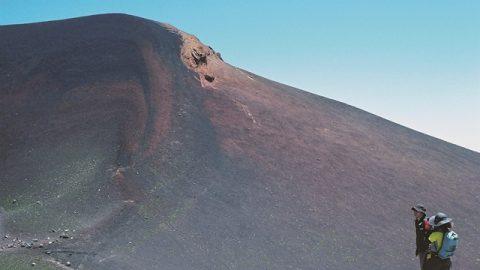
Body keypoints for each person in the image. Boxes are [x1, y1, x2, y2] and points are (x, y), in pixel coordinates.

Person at [411, 204, 430, 269]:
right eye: (414, 211)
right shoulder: (417, 221)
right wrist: (418, 248)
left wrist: (426, 247)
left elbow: (429, 235)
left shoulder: (426, 222)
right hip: (421, 249)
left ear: (422, 213)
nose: (415, 212)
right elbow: (420, 236)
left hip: (425, 250)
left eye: (417, 211)